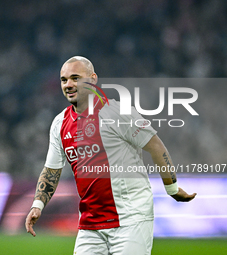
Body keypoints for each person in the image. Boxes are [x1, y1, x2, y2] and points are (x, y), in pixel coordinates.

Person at [25, 56, 196, 255]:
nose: (69, 85)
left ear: (92, 79)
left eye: (75, 78)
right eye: (64, 80)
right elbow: (52, 170)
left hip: (131, 218)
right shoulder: (59, 124)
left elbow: (156, 147)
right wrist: (37, 205)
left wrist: (172, 188)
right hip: (90, 223)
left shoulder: (117, 112)